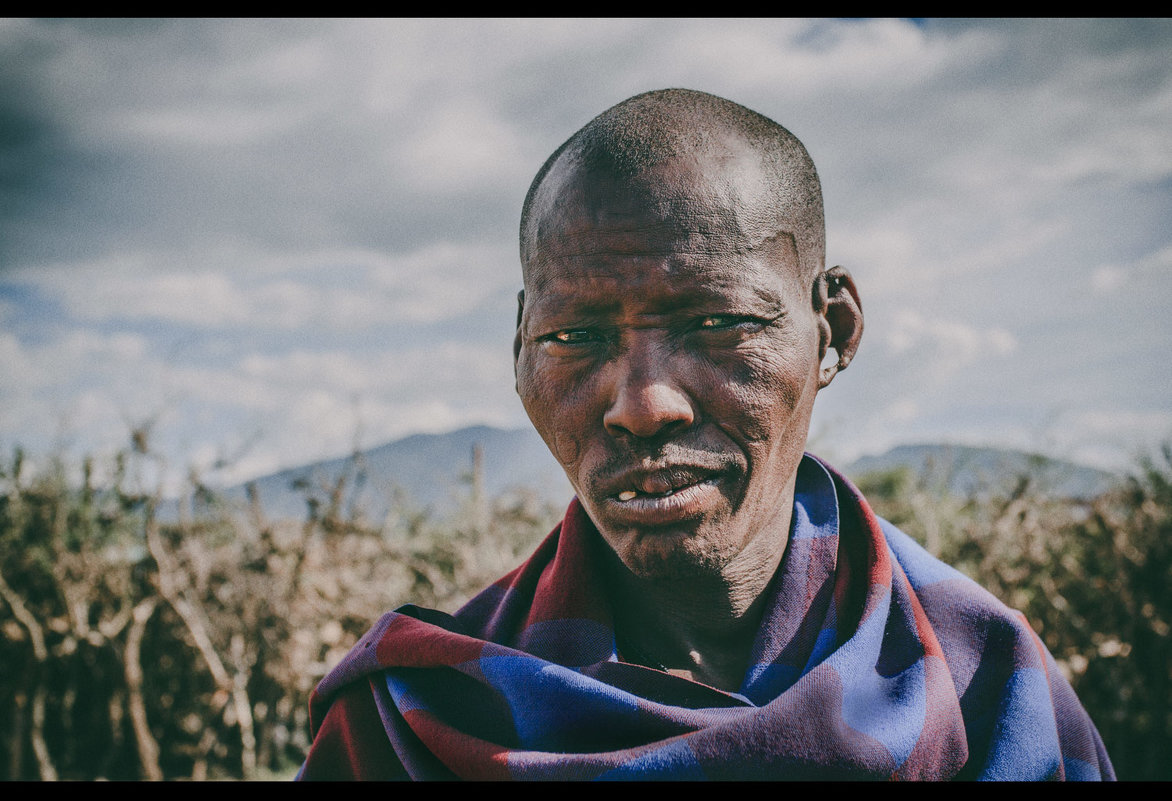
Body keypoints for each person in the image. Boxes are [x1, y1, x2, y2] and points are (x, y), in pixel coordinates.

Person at [298, 89, 1114, 780]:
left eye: (718, 320)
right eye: (573, 337)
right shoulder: (419, 719)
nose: (642, 405)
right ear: (519, 351)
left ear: (832, 329)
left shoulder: (987, 685)